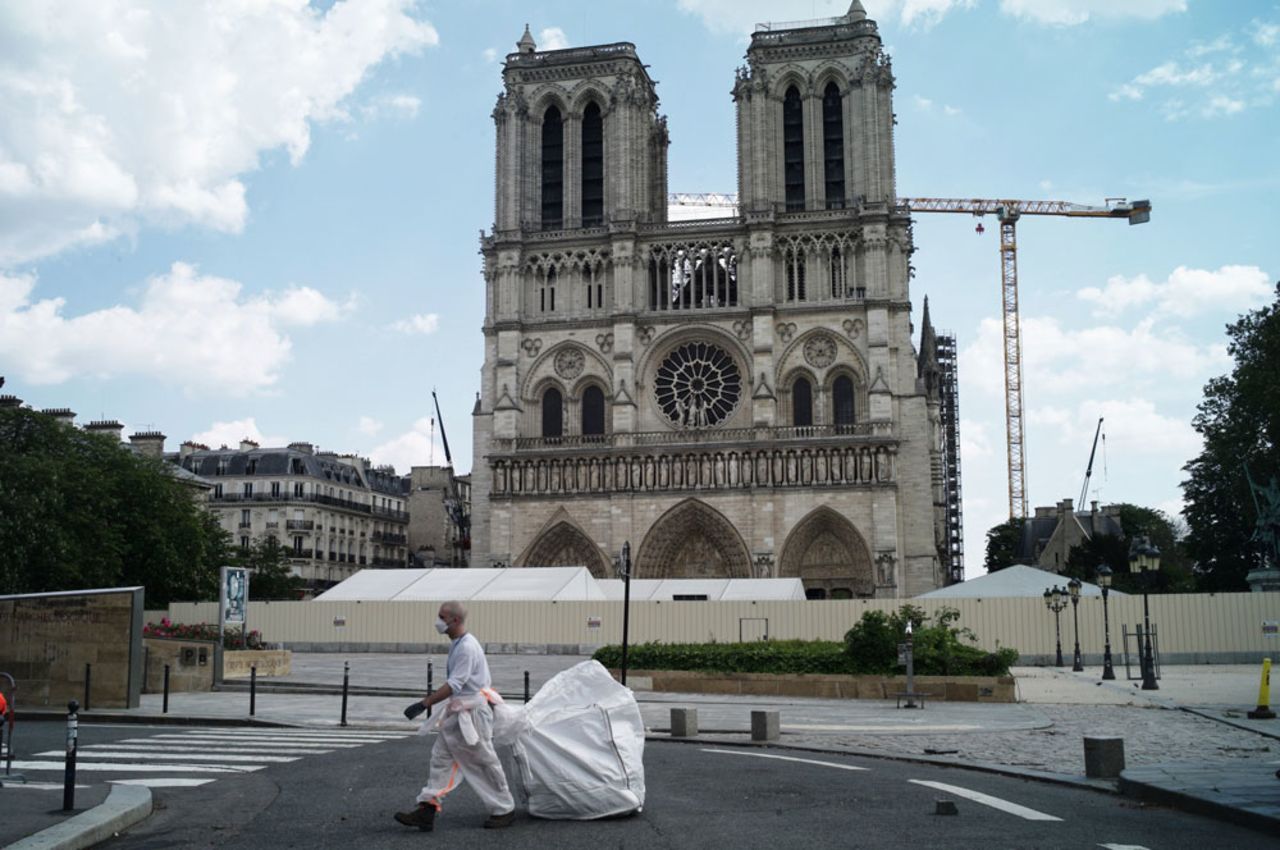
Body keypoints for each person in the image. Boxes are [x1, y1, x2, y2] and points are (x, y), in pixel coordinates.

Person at [395, 601, 516, 832]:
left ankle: (504, 809)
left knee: (483, 761)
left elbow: (455, 683)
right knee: (440, 759)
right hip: (459, 712)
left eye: (442, 616)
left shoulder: (467, 647)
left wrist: (425, 703)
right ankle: (427, 810)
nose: (438, 621)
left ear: (455, 620)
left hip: (472, 715)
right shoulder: (457, 644)